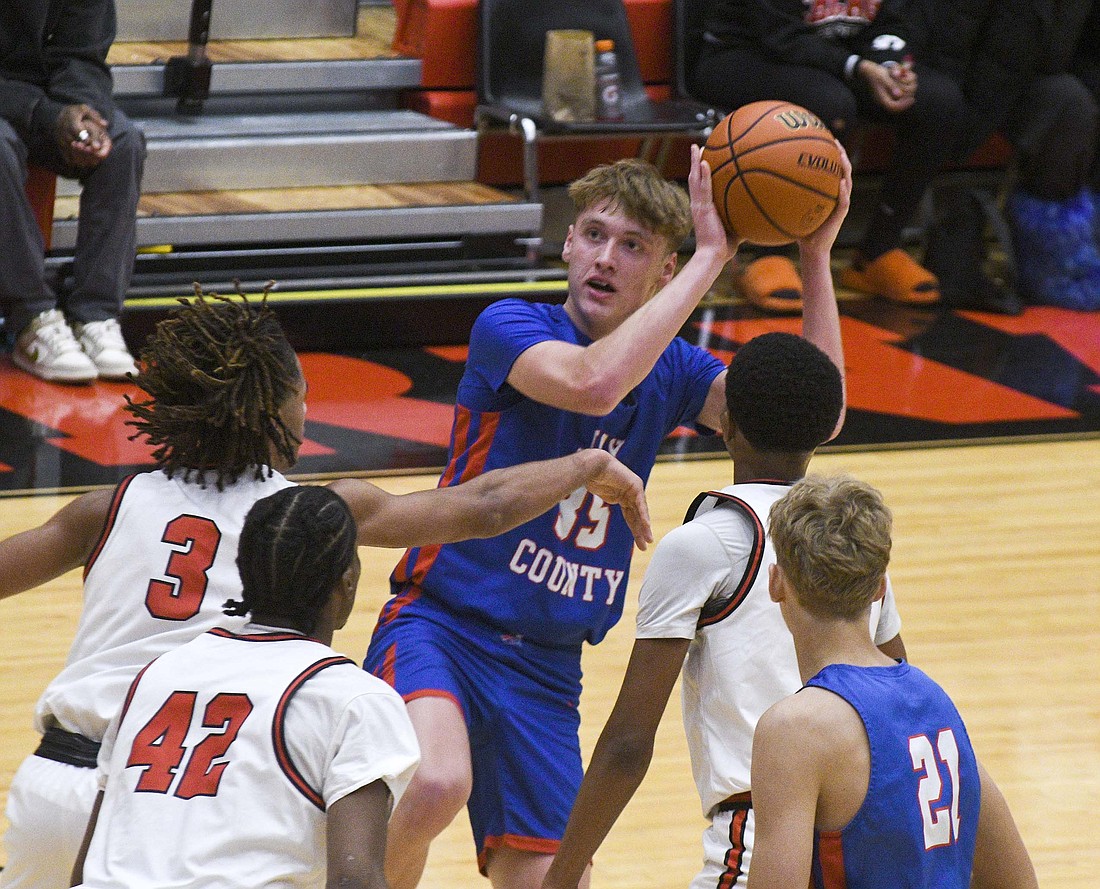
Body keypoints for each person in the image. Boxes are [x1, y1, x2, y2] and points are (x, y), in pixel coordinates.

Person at [0, 293, 654, 889]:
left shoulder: (107, 506)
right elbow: (481, 507)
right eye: (301, 395)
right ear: (273, 409)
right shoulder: (309, 515)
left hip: (56, 780)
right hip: (187, 796)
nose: (308, 408)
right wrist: (582, 465)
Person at [364, 146, 851, 889]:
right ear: (566, 244)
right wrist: (711, 256)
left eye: (633, 247)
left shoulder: (679, 370)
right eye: (592, 234)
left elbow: (809, 416)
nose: (605, 258)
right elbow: (591, 384)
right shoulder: (512, 324)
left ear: (662, 270)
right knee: (435, 782)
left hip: (546, 667)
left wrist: (815, 257)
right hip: (443, 624)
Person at [542, 332, 905, 889]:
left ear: (726, 422)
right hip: (868, 840)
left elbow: (628, 743)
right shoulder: (845, 537)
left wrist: (562, 875)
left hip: (759, 840)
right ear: (823, 430)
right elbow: (899, 699)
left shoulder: (703, 544)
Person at [70, 485, 420, 889]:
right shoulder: (354, 700)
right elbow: (354, 879)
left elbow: (89, 865)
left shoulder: (158, 675)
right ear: (347, 583)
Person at [748, 474, 1038, 889]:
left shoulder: (795, 730)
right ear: (879, 587)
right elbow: (1017, 881)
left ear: (777, 583)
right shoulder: (935, 701)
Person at [691, 0, 971, 312]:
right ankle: (766, 251)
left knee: (939, 102)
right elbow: (778, 34)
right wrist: (858, 67)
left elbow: (898, 19)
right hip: (745, 54)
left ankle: (878, 251)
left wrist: (891, 66)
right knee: (827, 103)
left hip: (840, 60)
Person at [904, 0, 1100, 311]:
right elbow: (948, 42)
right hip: (962, 78)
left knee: (1074, 103)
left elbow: (1085, 54)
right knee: (943, 103)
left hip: (1031, 77)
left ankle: (1062, 260)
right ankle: (1044, 266)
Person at [0, 0, 144, 382]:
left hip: (43, 104)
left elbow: (85, 57)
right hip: (20, 105)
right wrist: (48, 115)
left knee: (123, 140)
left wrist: (84, 113)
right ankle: (31, 316)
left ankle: (96, 314)